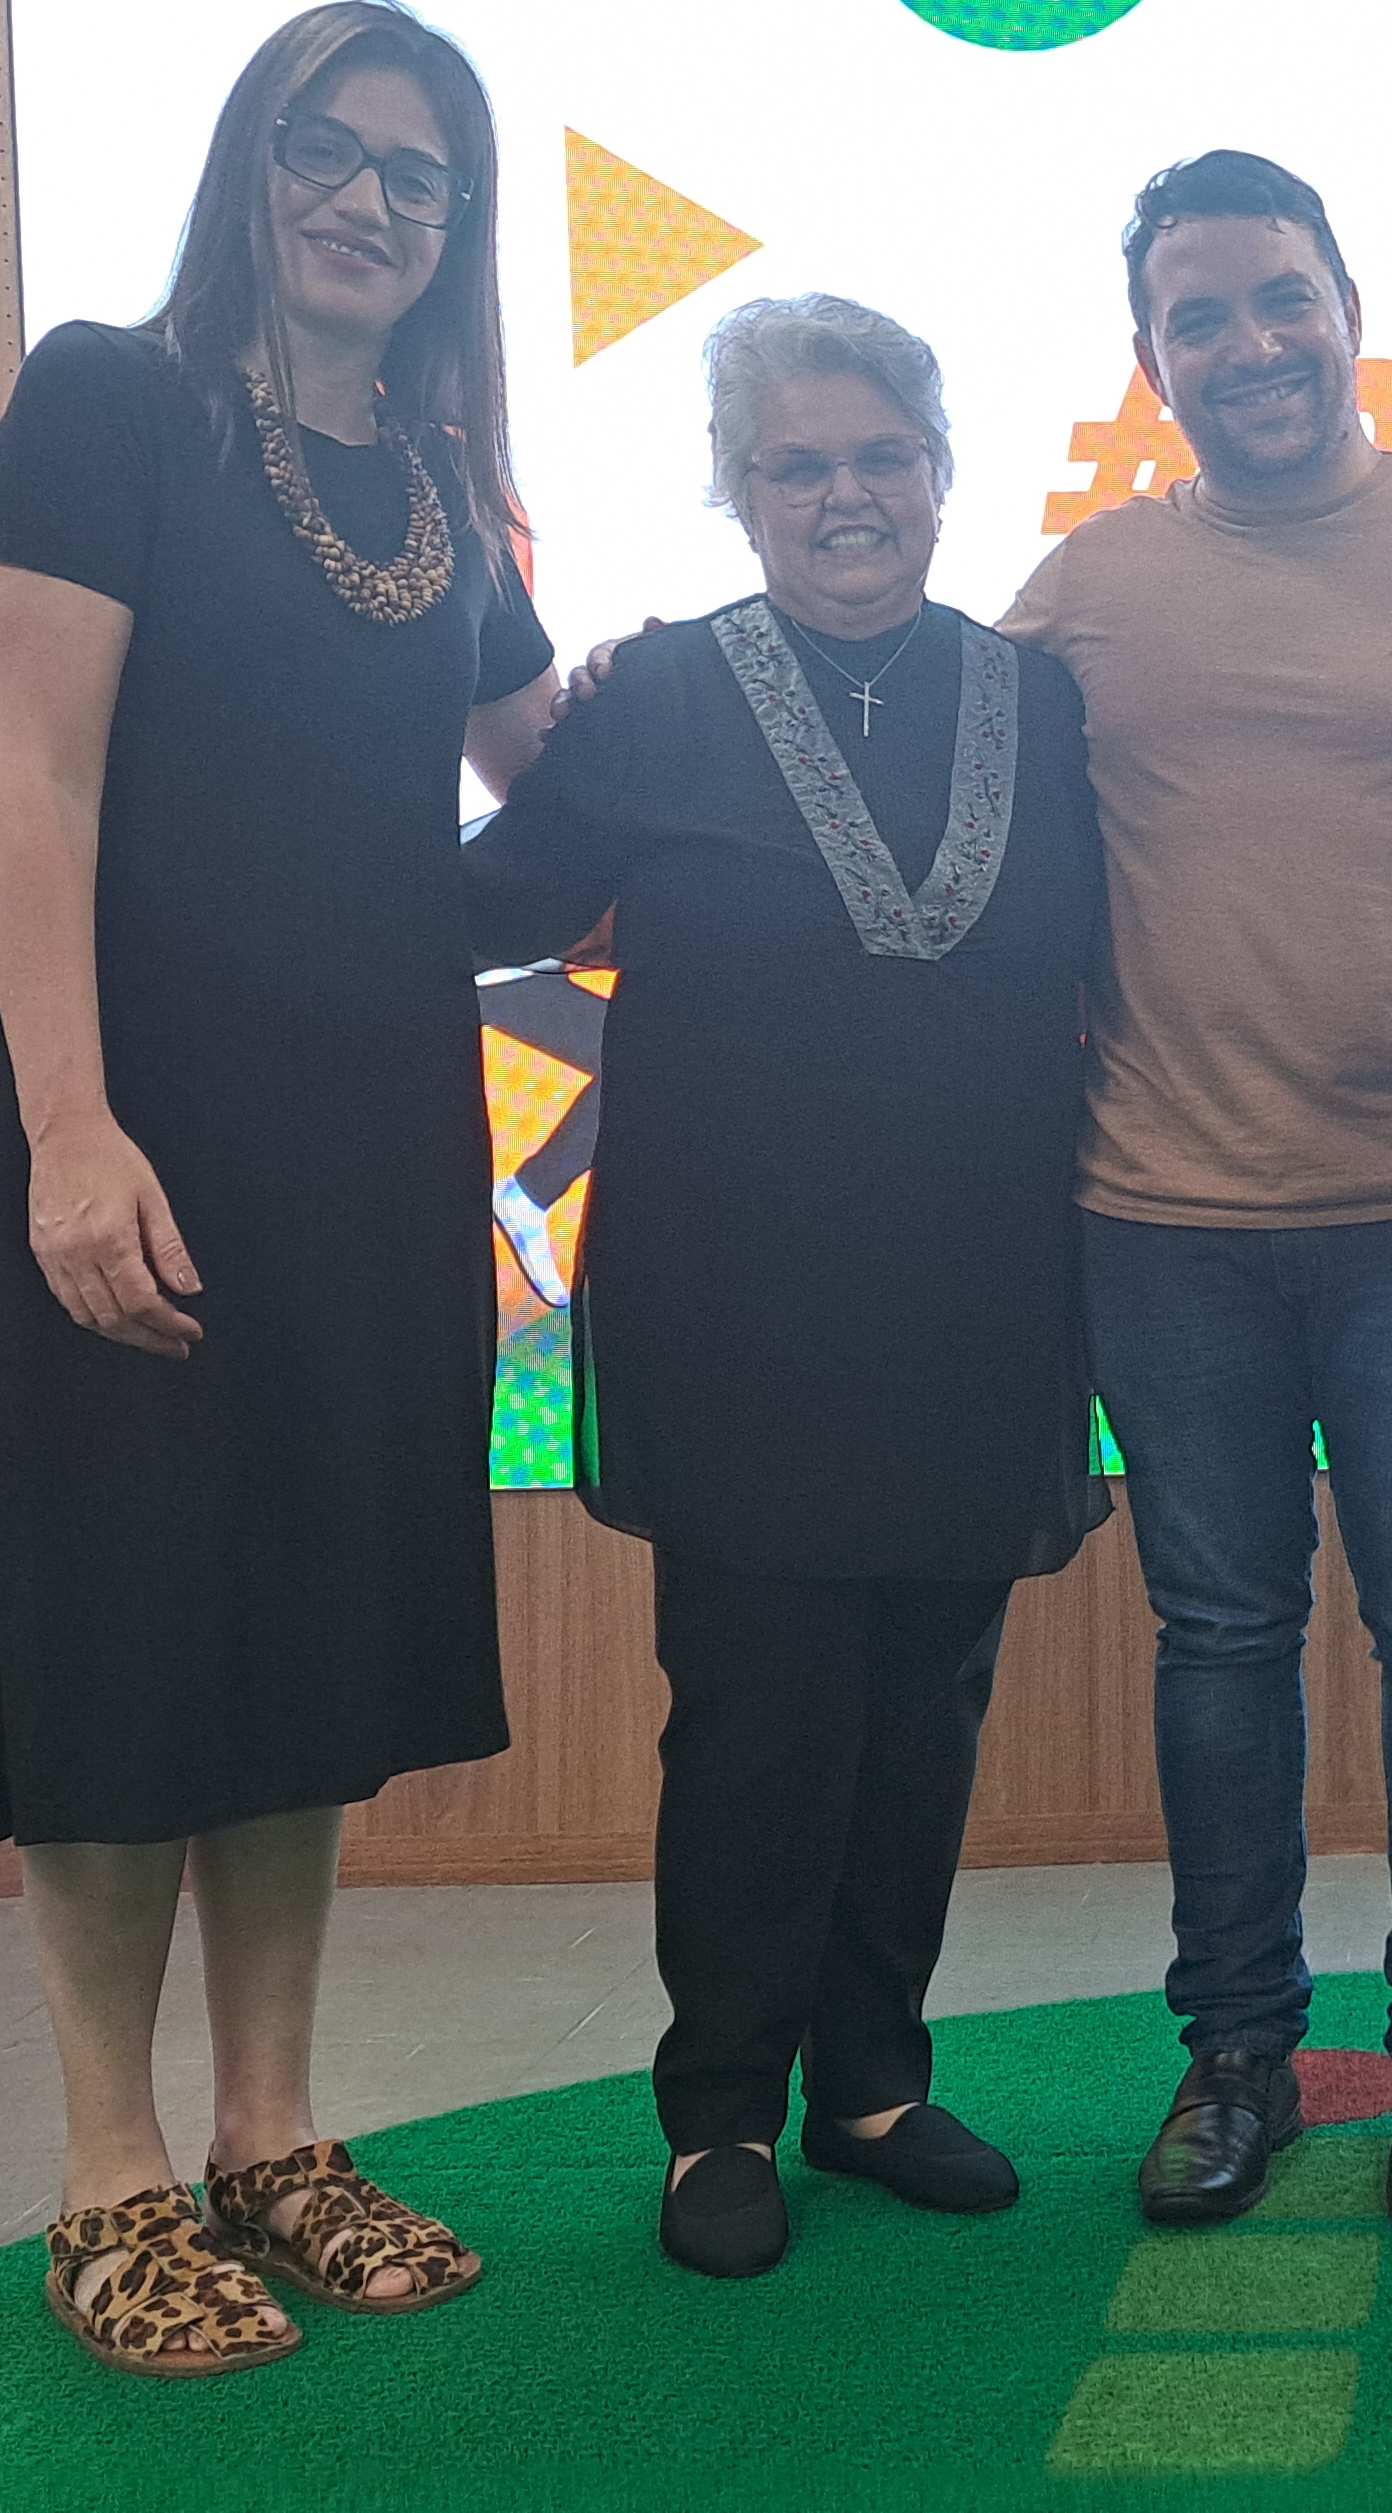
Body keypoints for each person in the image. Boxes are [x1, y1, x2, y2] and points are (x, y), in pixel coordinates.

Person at [0, 0, 553, 2375]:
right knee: (124, 1635)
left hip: (367, 1147)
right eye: (327, 146)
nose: (367, 200)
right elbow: (32, 784)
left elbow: (550, 769)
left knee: (301, 1634)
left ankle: (272, 2140)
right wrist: (70, 1133)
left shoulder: (441, 486)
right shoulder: (114, 401)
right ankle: (107, 2179)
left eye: (418, 173)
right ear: (245, 160)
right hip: (134, 1125)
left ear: (457, 229)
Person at [998, 150, 1392, 2233]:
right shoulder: (1086, 591)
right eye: (1200, 316)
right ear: (1150, 358)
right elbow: (944, 800)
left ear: (1348, 310)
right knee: (1218, 1639)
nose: (1250, 343)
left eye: (1281, 299)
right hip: (1160, 1216)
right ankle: (1237, 2059)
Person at [465, 295, 1106, 2281]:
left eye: (879, 456)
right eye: (795, 465)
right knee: (759, 1722)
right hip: (737, 1311)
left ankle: (876, 2087)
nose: (845, 496)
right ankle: (722, 2114)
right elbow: (491, 901)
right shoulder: (653, 696)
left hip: (977, 1295)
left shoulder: (1044, 699)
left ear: (941, 470)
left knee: (924, 1711)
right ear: (738, 494)